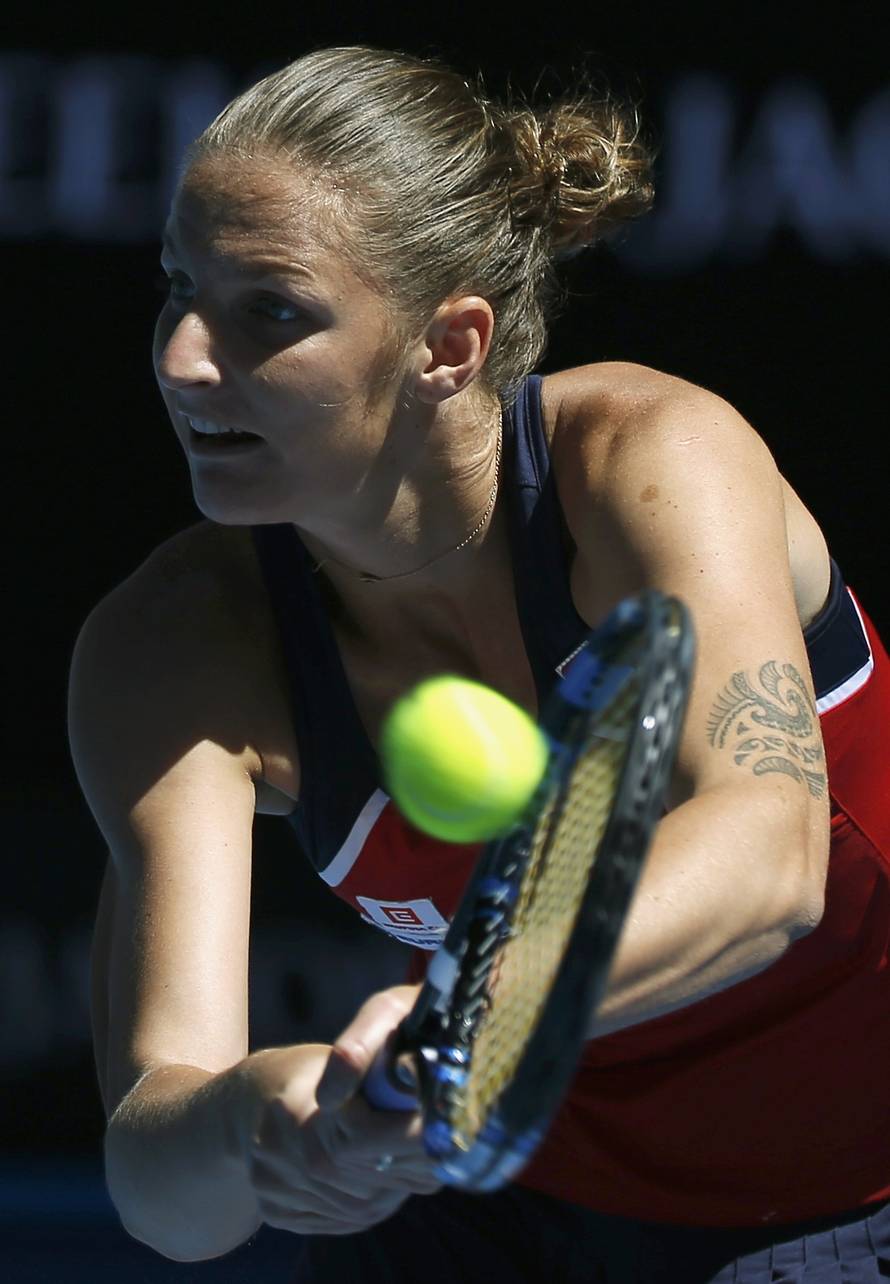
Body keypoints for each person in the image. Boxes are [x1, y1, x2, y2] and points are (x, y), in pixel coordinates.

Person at [67, 42, 890, 1283]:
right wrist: (259, 1124)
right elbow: (159, 1187)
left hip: (857, 1172)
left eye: (268, 310)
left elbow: (767, 859)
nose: (182, 358)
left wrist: (464, 1015)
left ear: (450, 344)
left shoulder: (648, 457)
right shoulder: (174, 647)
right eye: (177, 288)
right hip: (521, 1211)